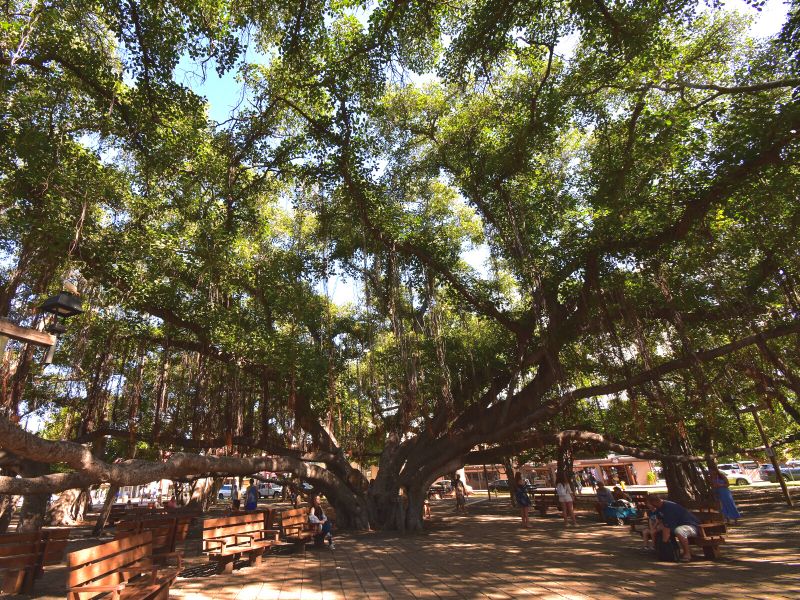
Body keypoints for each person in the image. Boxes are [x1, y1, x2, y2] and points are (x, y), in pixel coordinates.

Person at [645, 493, 700, 562]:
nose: (650, 505)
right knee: (660, 531)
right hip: (676, 526)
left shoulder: (669, 508)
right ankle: (662, 551)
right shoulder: (659, 508)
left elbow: (667, 528)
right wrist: (654, 530)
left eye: (650, 503)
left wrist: (664, 545)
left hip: (692, 526)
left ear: (654, 502)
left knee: (679, 531)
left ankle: (687, 554)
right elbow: (661, 522)